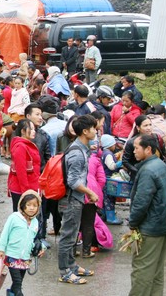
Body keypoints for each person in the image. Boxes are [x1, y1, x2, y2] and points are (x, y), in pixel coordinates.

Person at [127, 134, 166, 296]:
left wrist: (133, 223)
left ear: (148, 149)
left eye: (136, 148)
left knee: (142, 271)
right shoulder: (160, 165)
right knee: (156, 272)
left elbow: (141, 203)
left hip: (150, 227)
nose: (134, 151)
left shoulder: (148, 170)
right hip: (162, 225)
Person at [57, 114, 98, 285]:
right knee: (68, 236)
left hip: (75, 199)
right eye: (94, 128)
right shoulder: (78, 153)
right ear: (85, 131)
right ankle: (65, 272)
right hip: (71, 199)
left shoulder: (82, 148)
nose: (96, 131)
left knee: (73, 235)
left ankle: (72, 266)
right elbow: (73, 181)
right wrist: (90, 192)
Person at [0, 191, 44, 296]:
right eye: (28, 205)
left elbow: (36, 238)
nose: (32, 208)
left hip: (25, 259)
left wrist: (41, 248)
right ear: (22, 205)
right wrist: (1, 249)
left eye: (35, 205)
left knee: (18, 283)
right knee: (18, 284)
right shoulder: (14, 217)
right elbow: (5, 233)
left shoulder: (36, 222)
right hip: (12, 256)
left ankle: (11, 294)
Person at [7, 119, 41, 212]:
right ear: (23, 131)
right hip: (22, 189)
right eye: (31, 129)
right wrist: (26, 192)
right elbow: (21, 171)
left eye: (34, 129)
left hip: (32, 186)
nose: (34, 131)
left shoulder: (28, 144)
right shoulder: (21, 147)